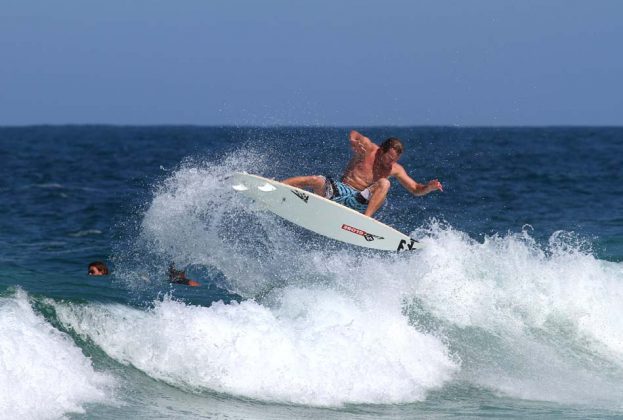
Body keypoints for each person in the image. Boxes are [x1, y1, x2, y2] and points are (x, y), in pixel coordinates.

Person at [282, 130, 443, 217]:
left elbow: (415, 189)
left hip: (358, 200)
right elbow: (354, 133)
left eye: (394, 159)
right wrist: (353, 142)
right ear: (381, 150)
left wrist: (429, 187)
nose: (390, 163)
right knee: (316, 180)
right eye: (389, 158)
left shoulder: (395, 168)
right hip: (339, 190)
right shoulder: (368, 147)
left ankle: (365, 220)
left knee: (385, 183)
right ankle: (277, 186)